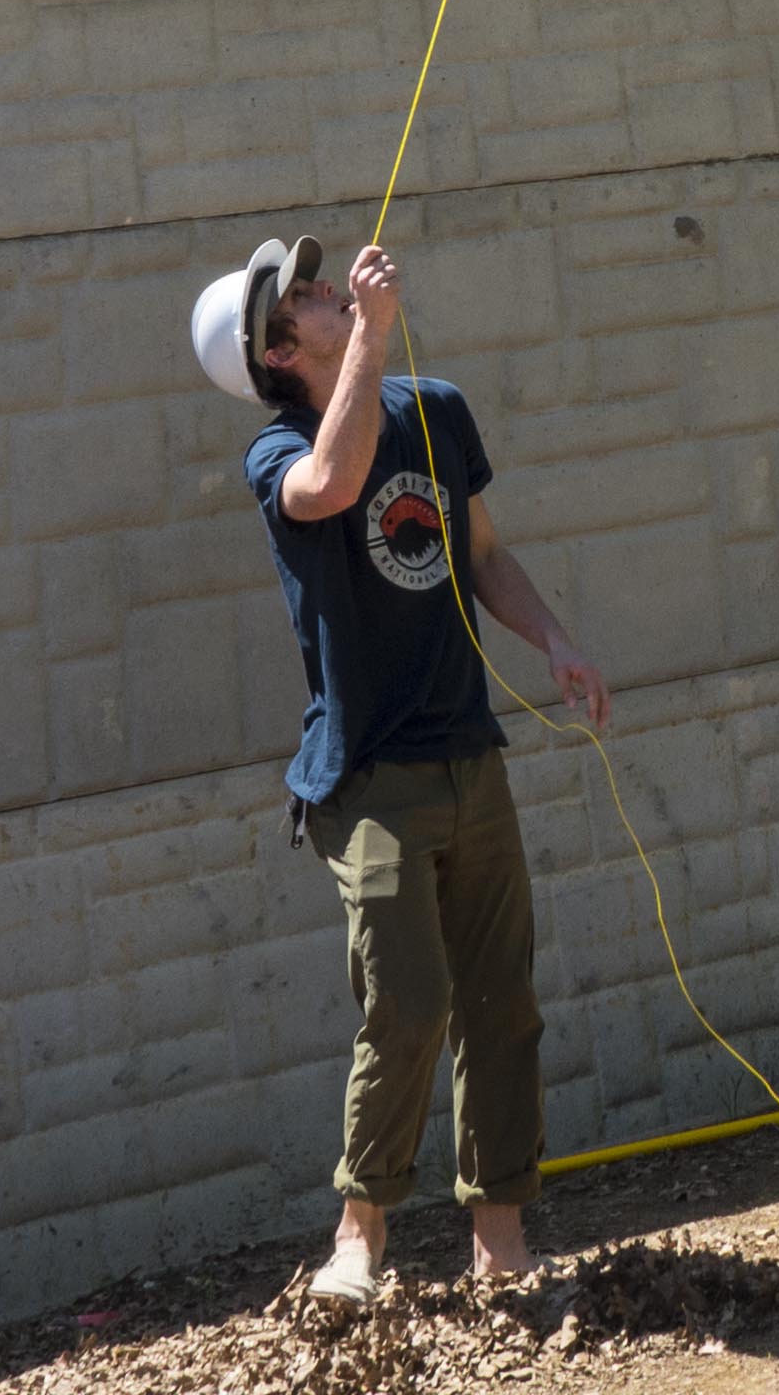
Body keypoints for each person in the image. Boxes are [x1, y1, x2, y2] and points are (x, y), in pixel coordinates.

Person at [193, 232, 610, 1296]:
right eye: (307, 295)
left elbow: (481, 554)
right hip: (367, 777)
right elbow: (333, 488)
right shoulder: (278, 450)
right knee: (411, 1002)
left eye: (322, 282)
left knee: (502, 1004)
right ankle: (359, 1232)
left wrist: (555, 642)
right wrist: (372, 341)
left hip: (470, 755)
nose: (331, 287)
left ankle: (501, 1245)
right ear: (280, 352)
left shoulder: (440, 409)